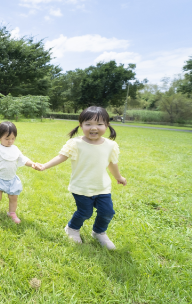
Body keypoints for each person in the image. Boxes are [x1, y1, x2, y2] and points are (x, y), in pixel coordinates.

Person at [34, 106, 127, 250]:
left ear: (107, 125)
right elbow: (61, 157)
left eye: (99, 124)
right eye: (88, 124)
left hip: (102, 187)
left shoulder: (110, 145)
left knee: (107, 212)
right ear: (81, 125)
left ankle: (99, 232)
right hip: (81, 187)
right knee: (85, 212)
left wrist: (119, 177)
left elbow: (112, 164)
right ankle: (72, 228)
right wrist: (44, 166)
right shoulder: (76, 143)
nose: (93, 128)